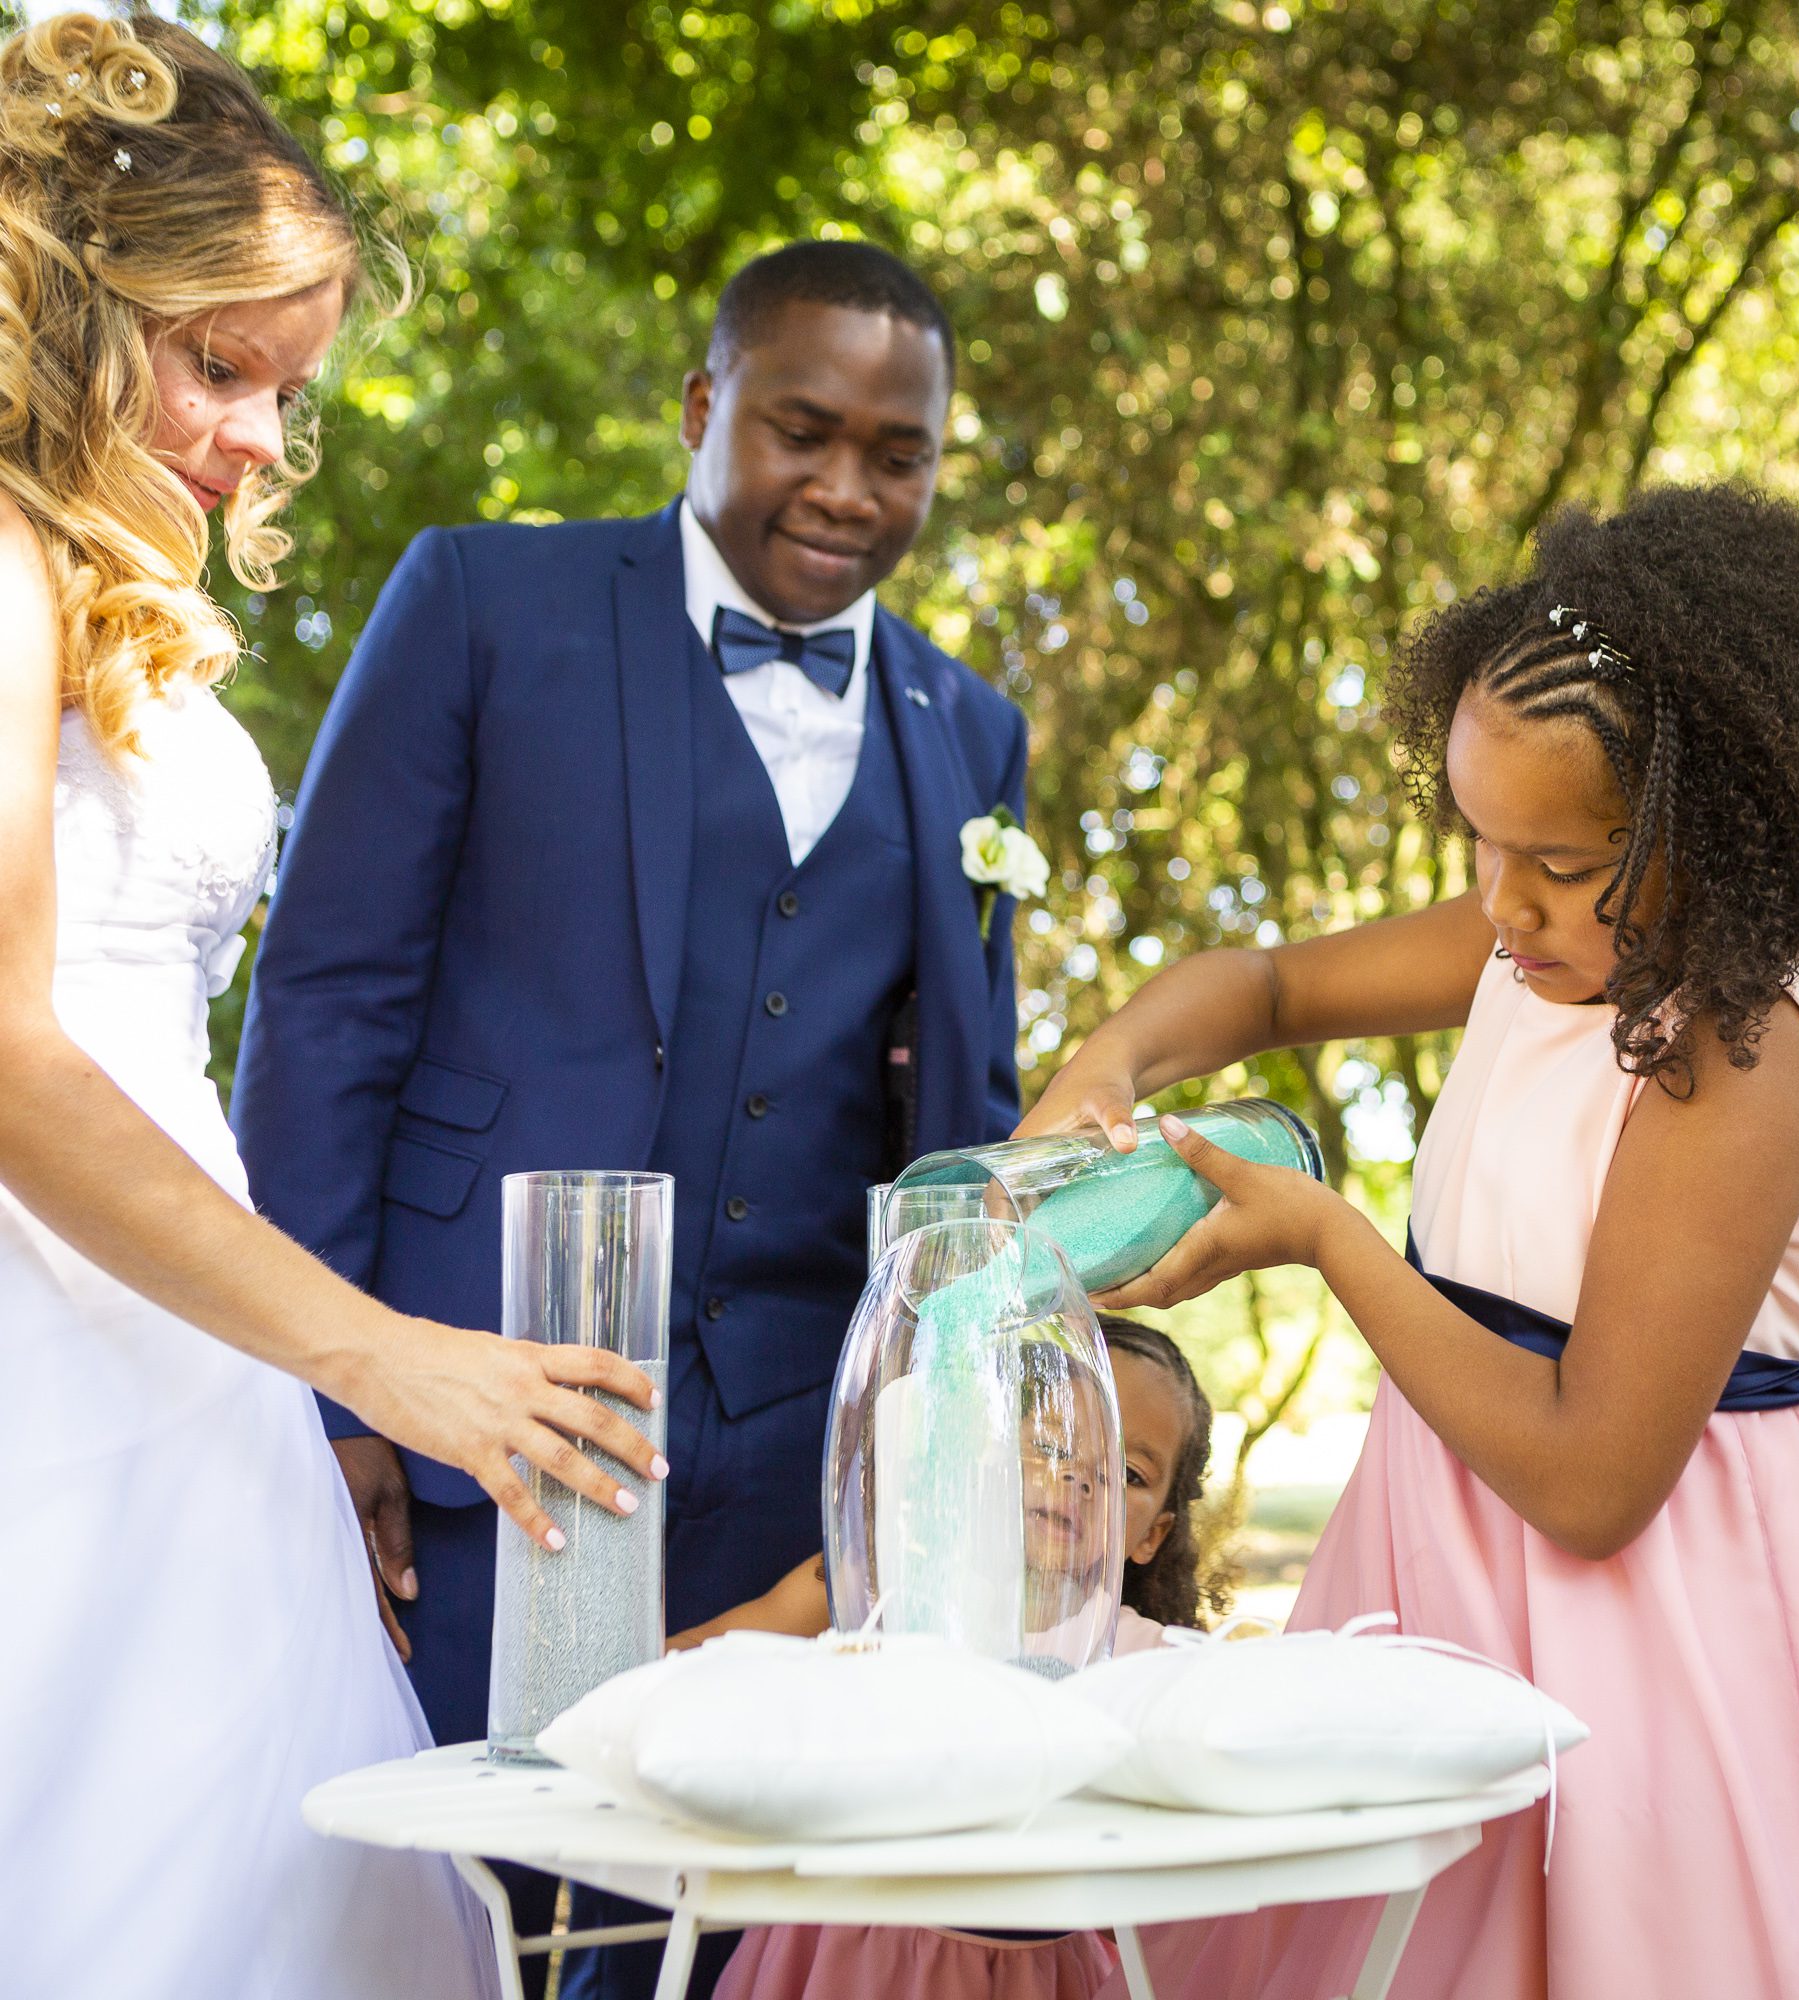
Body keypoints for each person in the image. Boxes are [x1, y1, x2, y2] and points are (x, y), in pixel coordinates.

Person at [1024, 485, 1799, 1999]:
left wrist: (1332, 1244)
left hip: (1671, 1625)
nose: (1501, 901)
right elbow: (1270, 983)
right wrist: (1113, 1059)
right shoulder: (1522, 951)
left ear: (1718, 827)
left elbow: (1596, 1481)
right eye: (1480, 840)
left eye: (1560, 861)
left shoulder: (1736, 1052)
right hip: (1449, 1556)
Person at [231, 238, 1031, 1993]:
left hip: (785, 1465)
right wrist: (335, 1385)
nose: (846, 488)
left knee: (705, 1937)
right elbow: (328, 998)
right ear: (701, 409)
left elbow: (963, 1131)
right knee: (461, 1901)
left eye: (897, 454)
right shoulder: (479, 606)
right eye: (801, 429)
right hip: (473, 1420)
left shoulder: (968, 729)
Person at [0, 16, 663, 1999]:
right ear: (62, 307)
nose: (263, 439)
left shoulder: (80, 577)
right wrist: (388, 1358)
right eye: (221, 366)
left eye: (287, 389)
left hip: (177, 1362)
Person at [706, 1318, 1218, 2000]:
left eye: (1126, 1470)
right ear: (989, 1451)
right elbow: (701, 1660)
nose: (1077, 1475)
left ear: (1152, 1535)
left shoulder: (1152, 1660)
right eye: (1047, 1443)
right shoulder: (889, 1587)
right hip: (837, 1951)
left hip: (1031, 1974)